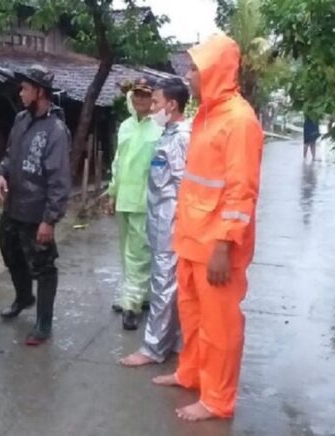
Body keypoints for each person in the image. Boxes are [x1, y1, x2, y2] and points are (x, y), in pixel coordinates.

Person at [154, 34, 264, 422]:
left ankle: (217, 400)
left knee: (220, 327)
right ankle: (191, 375)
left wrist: (223, 245)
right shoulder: (206, 115)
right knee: (194, 317)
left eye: (194, 68)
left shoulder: (239, 121)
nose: (187, 75)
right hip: (191, 239)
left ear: (215, 72)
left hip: (216, 246)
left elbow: (241, 191)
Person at [0, 65, 71, 346]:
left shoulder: (56, 130)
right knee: (9, 249)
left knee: (44, 266)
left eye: (26, 88)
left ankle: (43, 323)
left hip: (37, 211)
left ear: (40, 92)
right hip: (13, 205)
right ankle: (24, 297)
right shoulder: (20, 120)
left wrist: (49, 220)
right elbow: (10, 153)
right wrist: (2, 173)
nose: (21, 92)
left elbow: (60, 179)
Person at [120, 77, 190, 367]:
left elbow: (184, 185)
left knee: (163, 284)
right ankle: (172, 340)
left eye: (157, 102)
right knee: (168, 284)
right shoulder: (168, 133)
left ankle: (153, 348)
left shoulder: (183, 137)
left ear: (171, 105)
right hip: (160, 218)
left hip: (172, 222)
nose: (153, 107)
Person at [107, 77, 163, 331]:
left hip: (144, 200)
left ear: (153, 99)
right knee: (125, 251)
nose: (140, 99)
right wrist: (111, 192)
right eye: (137, 94)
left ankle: (132, 305)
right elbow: (118, 162)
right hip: (123, 199)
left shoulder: (159, 130)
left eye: (145, 95)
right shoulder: (126, 127)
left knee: (138, 253)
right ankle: (135, 294)